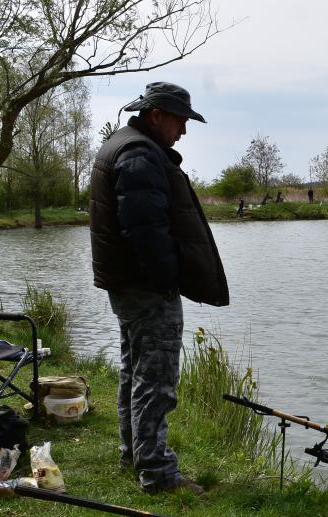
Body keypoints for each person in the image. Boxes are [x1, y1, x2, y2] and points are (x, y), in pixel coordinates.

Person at [89, 81, 229, 495]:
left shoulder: (125, 145)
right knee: (156, 380)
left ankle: (134, 456)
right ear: (156, 116)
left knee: (135, 372)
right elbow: (146, 232)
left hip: (128, 284)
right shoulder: (138, 156)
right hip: (146, 288)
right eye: (180, 121)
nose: (183, 130)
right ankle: (158, 473)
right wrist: (168, 281)